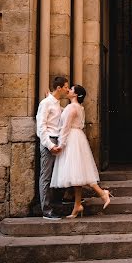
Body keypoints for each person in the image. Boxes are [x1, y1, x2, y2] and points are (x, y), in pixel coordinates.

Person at [50, 84, 111, 218]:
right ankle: (77, 205)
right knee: (77, 174)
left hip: (72, 139)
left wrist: (61, 144)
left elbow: (65, 127)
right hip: (77, 138)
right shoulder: (78, 107)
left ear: (76, 94)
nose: (69, 90)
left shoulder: (72, 108)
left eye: (71, 89)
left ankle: (102, 193)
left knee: (78, 173)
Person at [36, 76, 69, 220]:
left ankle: (56, 203)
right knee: (46, 176)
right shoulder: (46, 103)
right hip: (49, 141)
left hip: (58, 140)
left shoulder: (56, 104)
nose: (67, 89)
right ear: (59, 88)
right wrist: (49, 145)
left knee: (59, 175)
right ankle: (46, 210)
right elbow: (41, 126)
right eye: (66, 87)